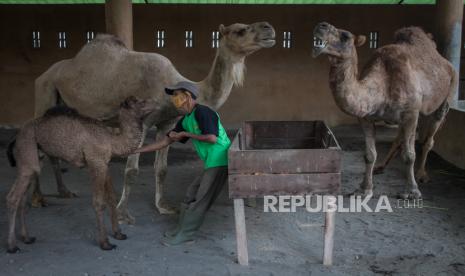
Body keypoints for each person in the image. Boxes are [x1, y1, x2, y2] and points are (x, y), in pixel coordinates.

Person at [135, 81, 231, 246]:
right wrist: (137, 150)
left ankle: (186, 235)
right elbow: (165, 141)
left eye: (176, 94)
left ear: (187, 96)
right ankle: (181, 229)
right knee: (190, 193)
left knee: (200, 198)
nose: (173, 99)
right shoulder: (186, 119)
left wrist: (186, 134)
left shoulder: (203, 112)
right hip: (211, 161)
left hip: (220, 159)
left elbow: (212, 138)